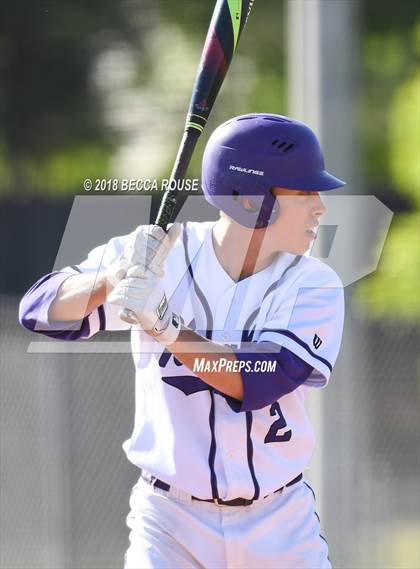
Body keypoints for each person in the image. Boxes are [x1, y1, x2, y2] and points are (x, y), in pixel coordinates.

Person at [19, 113, 345, 569]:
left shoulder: (314, 283)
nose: (320, 207)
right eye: (304, 191)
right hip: (169, 523)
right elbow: (39, 311)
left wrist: (164, 325)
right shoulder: (161, 254)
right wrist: (113, 278)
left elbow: (257, 382)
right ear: (252, 201)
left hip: (280, 524)